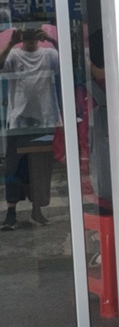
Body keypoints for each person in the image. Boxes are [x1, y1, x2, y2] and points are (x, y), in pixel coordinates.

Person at [0, 25, 62, 230]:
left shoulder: (49, 54)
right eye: (26, 35)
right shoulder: (14, 55)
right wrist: (11, 43)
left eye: (34, 34)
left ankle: (37, 209)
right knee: (13, 166)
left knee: (40, 169)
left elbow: (68, 64)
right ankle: (11, 211)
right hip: (18, 120)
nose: (30, 38)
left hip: (44, 119)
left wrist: (52, 41)